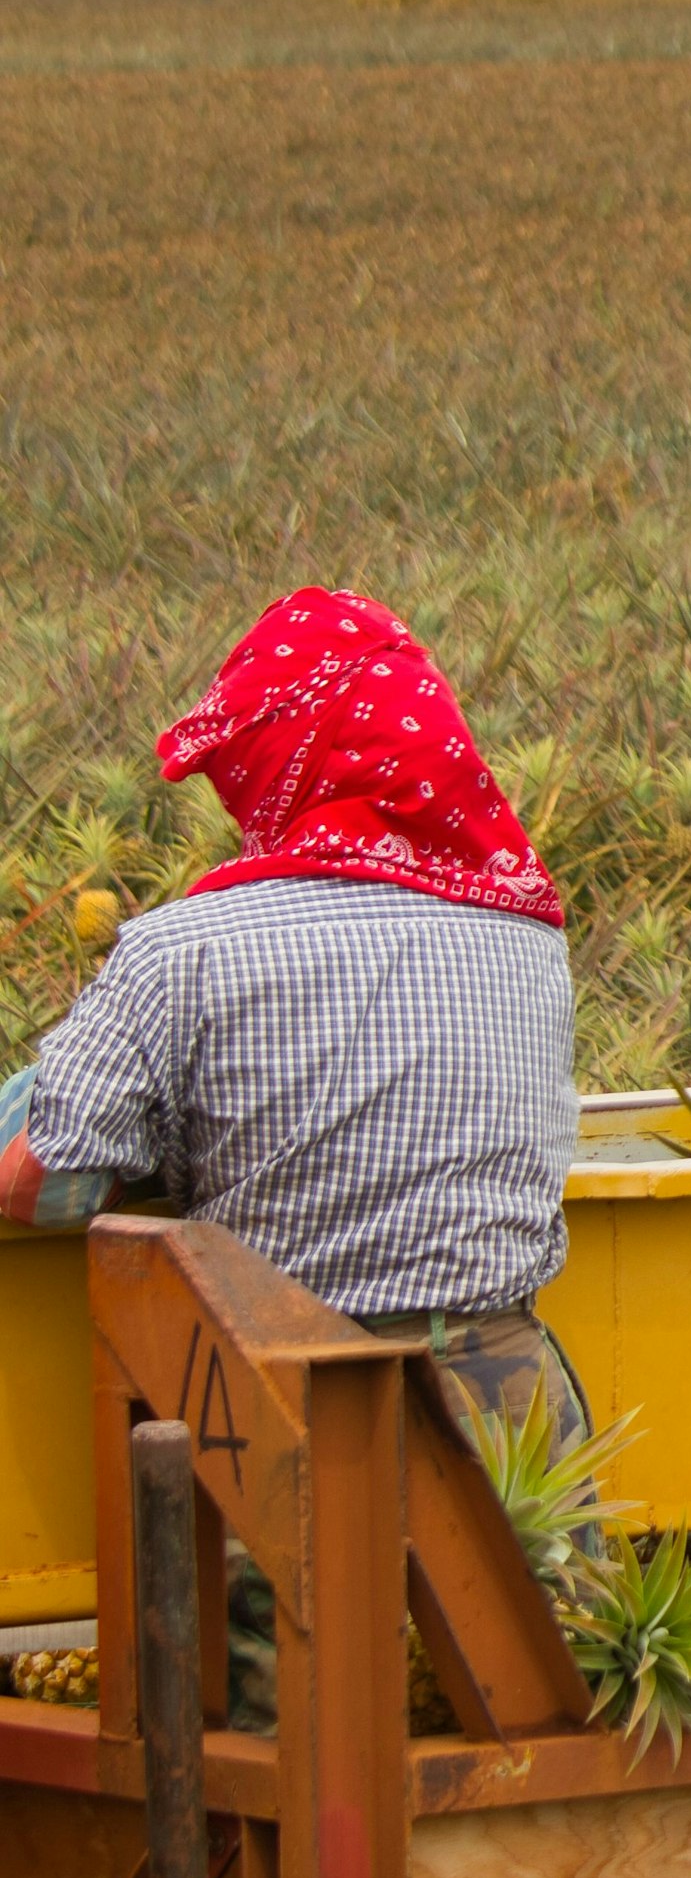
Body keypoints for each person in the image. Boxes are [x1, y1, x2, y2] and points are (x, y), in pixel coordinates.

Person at [1, 587, 590, 1449]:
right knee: (541, 1591)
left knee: (301, 1590)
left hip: (276, 1410)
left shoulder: (180, 950)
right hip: (508, 1404)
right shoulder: (529, 938)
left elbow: (42, 1186)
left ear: (289, 762)